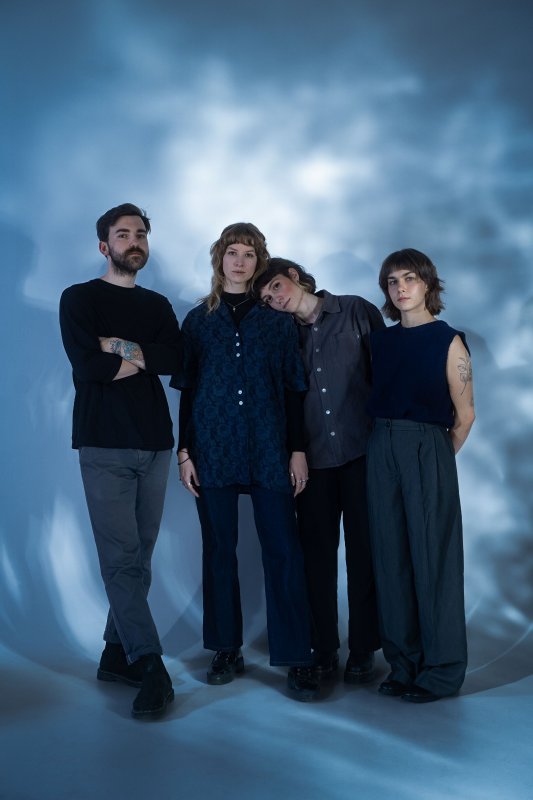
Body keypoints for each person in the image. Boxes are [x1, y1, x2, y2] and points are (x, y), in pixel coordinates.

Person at [170, 223, 319, 701]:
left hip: (269, 448)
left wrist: (297, 449)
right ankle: (225, 648)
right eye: (232, 252)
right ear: (220, 259)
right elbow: (188, 389)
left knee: (284, 550)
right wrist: (184, 451)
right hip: (212, 449)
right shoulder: (198, 321)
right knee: (218, 550)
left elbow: (294, 389)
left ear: (259, 262)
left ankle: (297, 655)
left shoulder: (276, 321)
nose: (239, 261)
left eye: (249, 254)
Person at [59, 203, 181, 719]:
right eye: (123, 234)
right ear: (104, 245)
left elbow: (176, 359)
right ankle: (151, 665)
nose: (134, 241)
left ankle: (116, 654)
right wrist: (144, 356)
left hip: (155, 442)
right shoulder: (79, 298)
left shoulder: (157, 304)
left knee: (140, 556)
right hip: (104, 442)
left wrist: (118, 348)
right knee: (121, 558)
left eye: (141, 234)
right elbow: (89, 367)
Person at [255, 258, 384, 683]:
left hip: (363, 453)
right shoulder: (282, 335)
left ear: (293, 276)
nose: (274, 299)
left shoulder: (355, 310)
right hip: (312, 462)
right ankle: (323, 648)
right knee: (316, 558)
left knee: (365, 553)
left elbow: (385, 375)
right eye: (266, 298)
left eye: (276, 287)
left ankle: (364, 647)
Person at [366, 248, 475, 703]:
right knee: (389, 557)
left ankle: (441, 671)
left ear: (428, 283)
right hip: (380, 445)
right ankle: (403, 664)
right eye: (392, 281)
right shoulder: (380, 342)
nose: (401, 288)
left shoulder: (448, 341)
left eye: (409, 278)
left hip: (427, 447)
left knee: (433, 558)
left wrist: (433, 461)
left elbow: (465, 417)